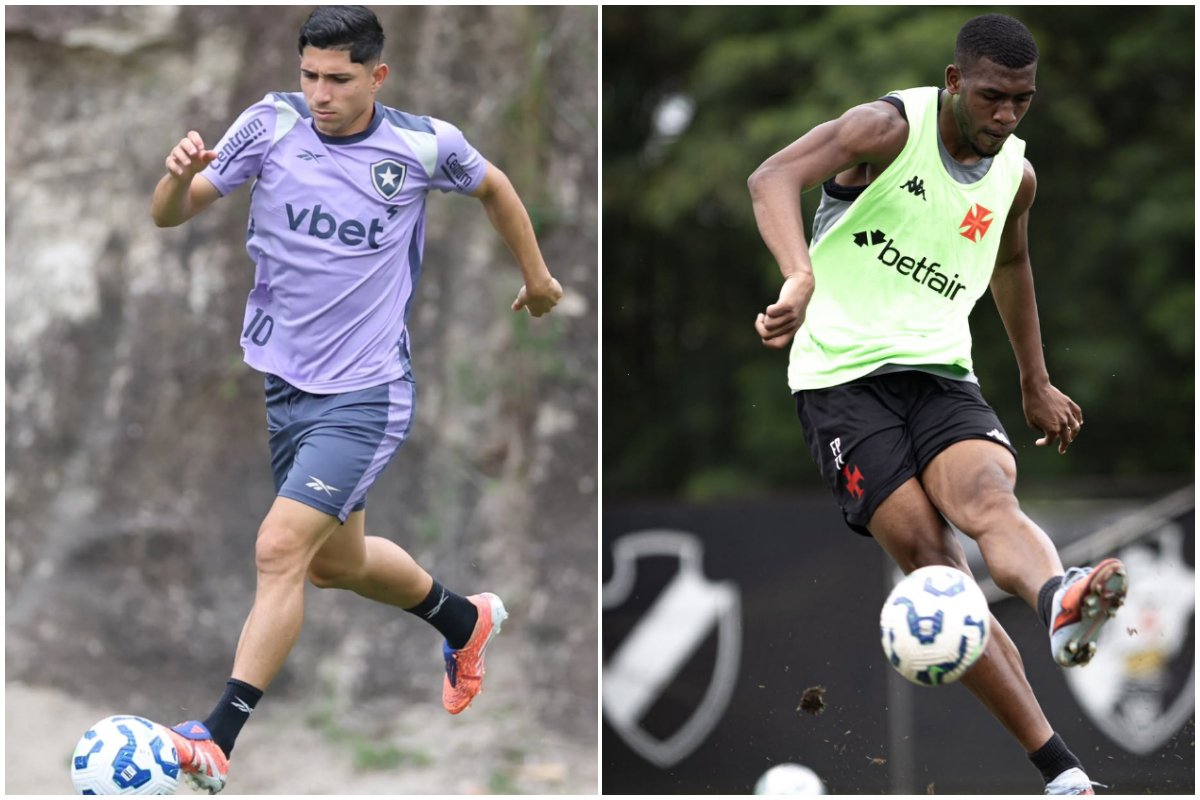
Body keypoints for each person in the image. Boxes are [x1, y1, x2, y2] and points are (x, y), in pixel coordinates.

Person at [150, 6, 562, 793]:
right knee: (335, 565)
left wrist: (537, 279)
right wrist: (172, 179)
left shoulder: (419, 146)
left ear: (378, 75)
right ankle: (461, 620)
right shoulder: (267, 126)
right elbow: (171, 214)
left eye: (338, 79)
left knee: (280, 551)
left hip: (365, 392)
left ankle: (216, 739)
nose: (320, 93)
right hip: (285, 387)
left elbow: (496, 188)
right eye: (309, 75)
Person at [747, 13, 1125, 796]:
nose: (1006, 115)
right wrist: (799, 276)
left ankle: (1060, 601)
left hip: (940, 371)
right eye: (992, 97)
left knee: (990, 496)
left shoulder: (1015, 173)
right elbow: (770, 178)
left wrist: (1033, 379)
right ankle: (1062, 773)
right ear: (955, 82)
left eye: (1021, 101)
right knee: (936, 568)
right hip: (839, 381)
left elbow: (1011, 262)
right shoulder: (886, 128)